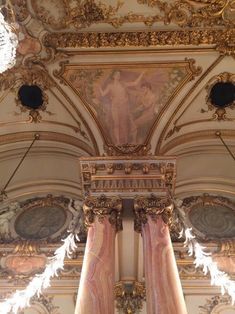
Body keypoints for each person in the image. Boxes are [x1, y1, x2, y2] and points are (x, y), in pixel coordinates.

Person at [99, 70, 144, 144]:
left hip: (123, 106)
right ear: (113, 76)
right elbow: (103, 94)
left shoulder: (123, 84)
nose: (118, 76)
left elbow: (135, 83)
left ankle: (125, 142)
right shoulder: (110, 86)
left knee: (124, 124)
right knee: (116, 124)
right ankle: (117, 142)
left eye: (119, 74)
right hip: (115, 106)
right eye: (116, 74)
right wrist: (99, 87)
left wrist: (142, 73)